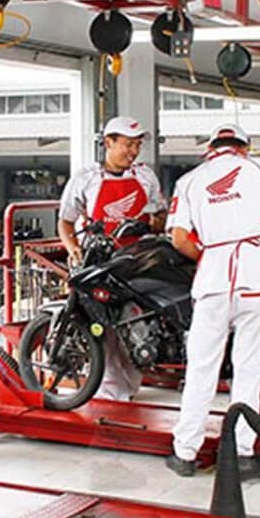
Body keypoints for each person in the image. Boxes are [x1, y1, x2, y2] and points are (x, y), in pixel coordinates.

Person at [164, 123, 260, 479]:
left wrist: (208, 255)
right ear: (244, 147)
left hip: (212, 280)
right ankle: (242, 454)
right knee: (248, 369)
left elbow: (179, 238)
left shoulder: (190, 180)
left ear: (211, 148)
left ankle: (185, 453)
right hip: (254, 275)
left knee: (201, 368)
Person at [57, 115, 166, 400]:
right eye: (128, 144)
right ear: (109, 142)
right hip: (98, 261)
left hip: (137, 261)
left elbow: (162, 216)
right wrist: (73, 248)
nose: (134, 151)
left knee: (134, 322)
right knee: (102, 326)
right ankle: (108, 390)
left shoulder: (145, 176)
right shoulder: (86, 178)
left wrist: (150, 223)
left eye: (137, 145)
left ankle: (130, 384)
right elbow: (65, 222)